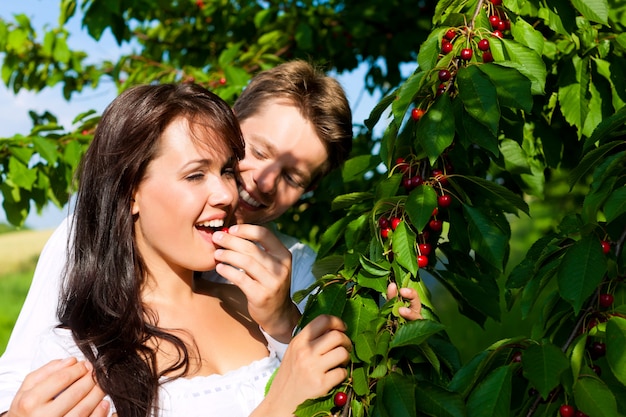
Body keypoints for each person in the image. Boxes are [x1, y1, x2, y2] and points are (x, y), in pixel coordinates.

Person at [0, 61, 421, 416]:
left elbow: (339, 389)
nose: (262, 181)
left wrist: (385, 342)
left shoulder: (299, 267)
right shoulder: (87, 246)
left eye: (293, 176)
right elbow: (20, 385)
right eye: (255, 151)